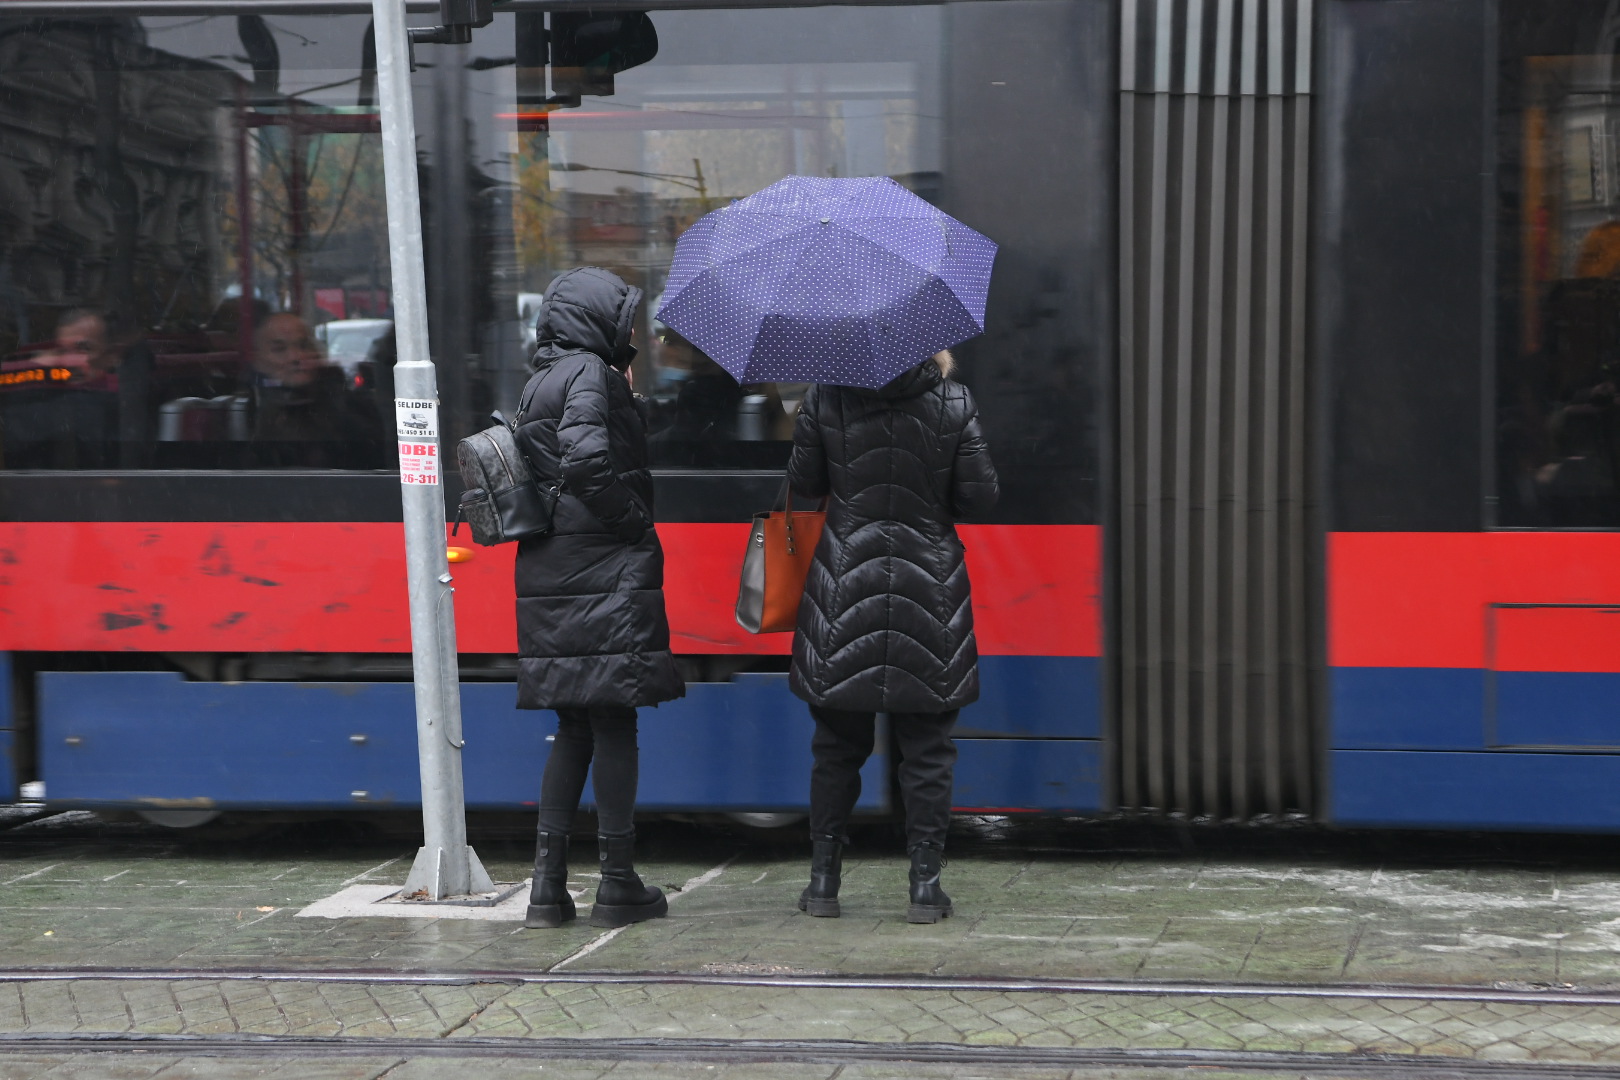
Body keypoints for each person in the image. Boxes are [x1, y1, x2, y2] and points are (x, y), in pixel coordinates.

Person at [788, 349, 998, 923]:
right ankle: (925, 888)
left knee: (836, 750)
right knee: (928, 753)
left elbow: (804, 485)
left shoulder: (826, 395)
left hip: (843, 591)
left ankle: (824, 884)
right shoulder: (954, 401)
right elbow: (980, 498)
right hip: (930, 590)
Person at [512, 266, 686, 930]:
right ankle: (617, 882)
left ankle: (547, 890)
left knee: (575, 728)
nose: (632, 331)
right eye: (623, 317)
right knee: (615, 722)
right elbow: (587, 461)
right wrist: (633, 521)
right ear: (596, 318)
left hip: (555, 569)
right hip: (601, 568)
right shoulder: (589, 374)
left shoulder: (543, 378)